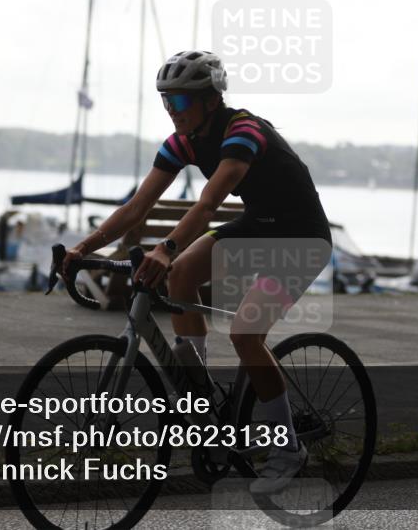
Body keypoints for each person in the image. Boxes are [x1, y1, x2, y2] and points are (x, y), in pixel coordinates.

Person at [62, 50, 331, 493]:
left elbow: (207, 204)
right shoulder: (183, 141)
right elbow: (136, 206)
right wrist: (84, 246)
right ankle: (200, 393)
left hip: (301, 239)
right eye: (166, 101)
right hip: (260, 226)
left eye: (181, 102)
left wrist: (166, 248)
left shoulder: (243, 131)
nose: (172, 111)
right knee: (181, 275)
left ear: (210, 100)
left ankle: (287, 449)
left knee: (246, 334)